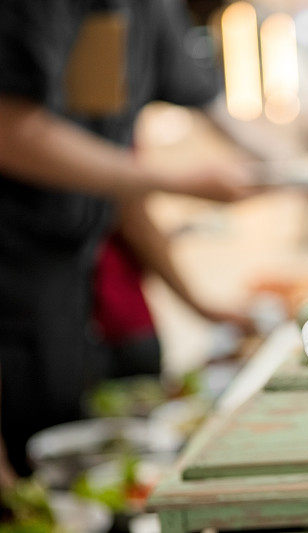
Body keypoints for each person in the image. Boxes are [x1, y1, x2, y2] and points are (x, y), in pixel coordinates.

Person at [0, 0, 255, 481]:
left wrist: (201, 304)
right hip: (18, 276)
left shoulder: (132, 14)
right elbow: (13, 128)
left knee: (61, 446)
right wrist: (173, 179)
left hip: (71, 290)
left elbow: (115, 179)